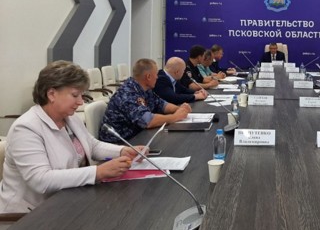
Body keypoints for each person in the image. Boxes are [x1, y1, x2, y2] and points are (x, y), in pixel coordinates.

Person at [0, 61, 143, 213]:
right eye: (75, 95)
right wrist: (98, 172)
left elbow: (92, 145)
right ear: (51, 94)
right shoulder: (26, 128)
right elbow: (41, 180)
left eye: (81, 95)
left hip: (66, 201)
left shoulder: (69, 117)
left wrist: (122, 151)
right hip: (29, 215)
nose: (80, 102)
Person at [99, 59, 191, 143]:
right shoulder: (128, 93)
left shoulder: (145, 88)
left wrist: (179, 109)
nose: (157, 77)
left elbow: (161, 104)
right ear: (148, 77)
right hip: (120, 143)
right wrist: (175, 117)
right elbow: (148, 121)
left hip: (136, 136)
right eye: (156, 74)